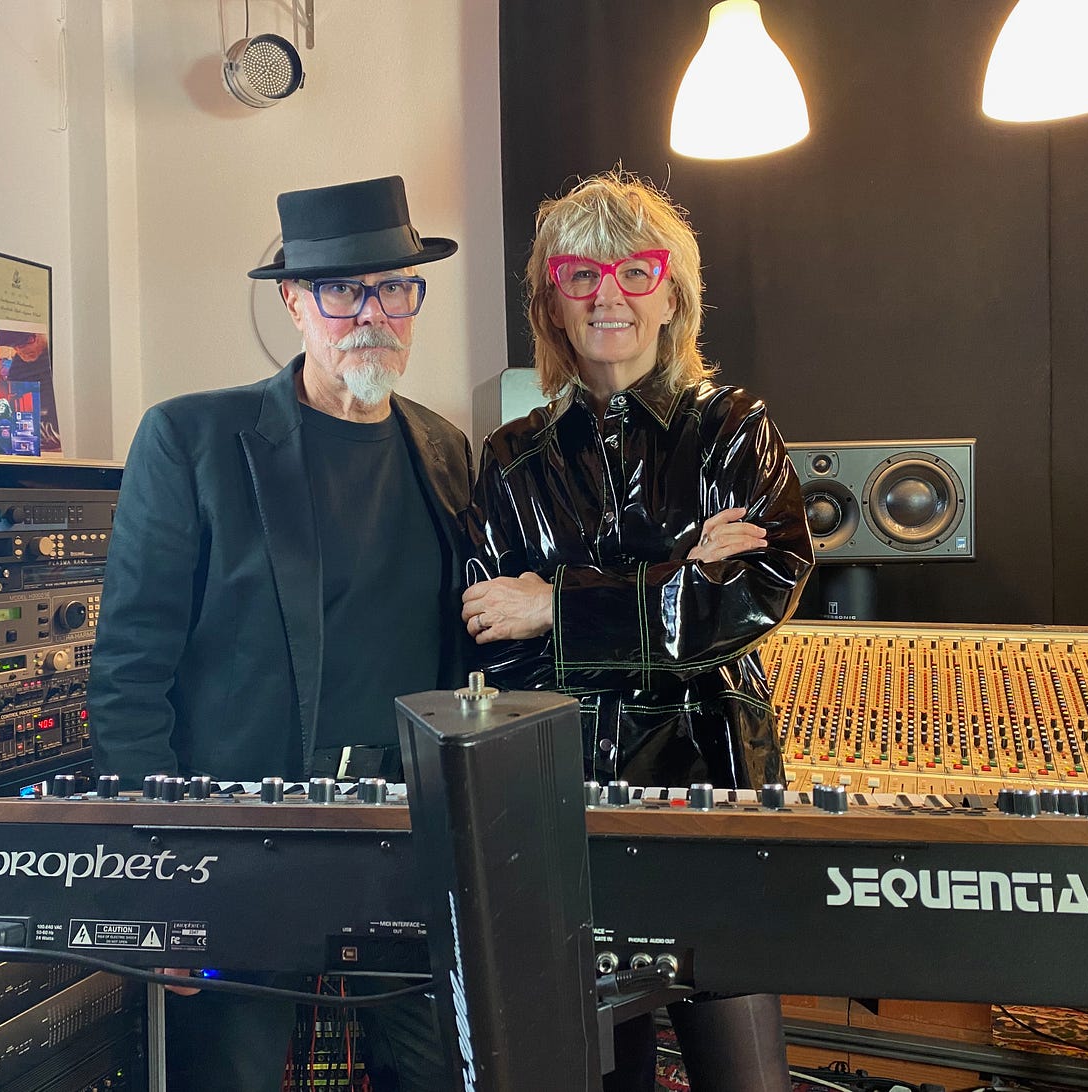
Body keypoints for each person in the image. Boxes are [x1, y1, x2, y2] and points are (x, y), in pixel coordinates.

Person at [89, 176, 468, 1092]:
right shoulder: (191, 439)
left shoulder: (448, 450)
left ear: (416, 299)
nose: (369, 313)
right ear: (294, 302)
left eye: (393, 288)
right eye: (342, 292)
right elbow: (130, 674)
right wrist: (163, 877)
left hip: (408, 851)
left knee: (445, 1076)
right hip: (242, 856)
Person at [461, 171, 814, 1092]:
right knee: (596, 1076)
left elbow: (751, 598)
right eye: (580, 276)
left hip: (718, 783)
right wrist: (673, 583)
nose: (607, 295)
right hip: (560, 796)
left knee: (746, 1077)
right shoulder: (510, 459)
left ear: (673, 295)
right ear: (552, 303)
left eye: (635, 271)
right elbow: (493, 637)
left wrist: (557, 602)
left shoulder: (736, 431)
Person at [0, 329, 61, 451]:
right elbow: (12, 398)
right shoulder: (18, 364)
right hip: (32, 439)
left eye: (22, 344)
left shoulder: (59, 356)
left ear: (38, 336)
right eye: (15, 347)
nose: (20, 351)